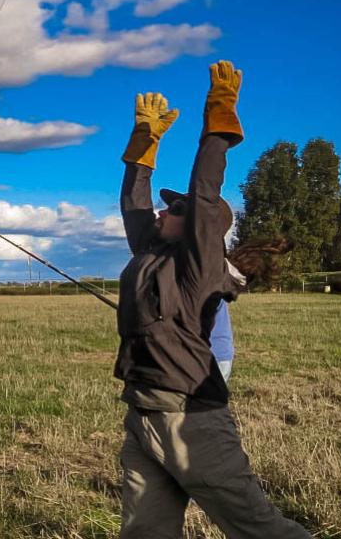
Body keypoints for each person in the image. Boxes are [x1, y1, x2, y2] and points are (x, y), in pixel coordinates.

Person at [114, 61, 310, 538]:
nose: (164, 209)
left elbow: (205, 193)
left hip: (192, 421)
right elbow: (135, 204)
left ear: (201, 230)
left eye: (175, 208)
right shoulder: (150, 249)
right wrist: (144, 144)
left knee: (260, 529)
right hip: (142, 414)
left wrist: (219, 117)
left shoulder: (199, 265)